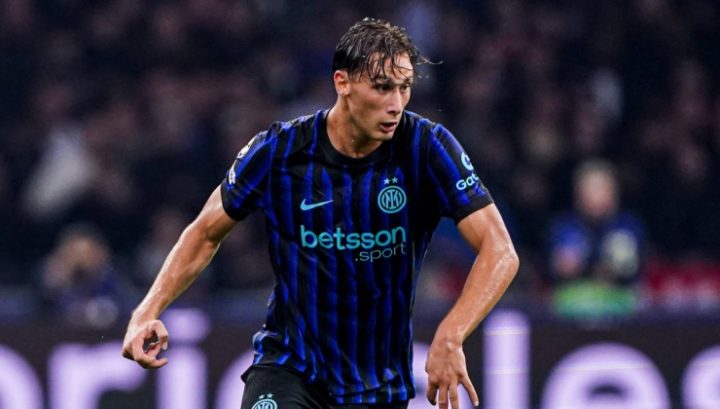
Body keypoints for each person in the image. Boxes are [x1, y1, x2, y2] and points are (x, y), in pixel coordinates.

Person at [122, 18, 518, 409]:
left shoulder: (426, 148)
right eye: (382, 87)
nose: (396, 104)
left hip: (378, 386)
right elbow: (205, 232)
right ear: (342, 82)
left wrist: (452, 333)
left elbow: (500, 250)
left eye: (404, 88)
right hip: (290, 368)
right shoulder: (280, 150)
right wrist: (146, 312)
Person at [546, 158, 645, 318]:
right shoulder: (564, 226)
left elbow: (628, 268)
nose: (595, 195)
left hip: (621, 303)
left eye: (601, 188)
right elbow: (563, 267)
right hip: (573, 305)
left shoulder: (628, 225)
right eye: (590, 189)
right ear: (578, 194)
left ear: (614, 192)